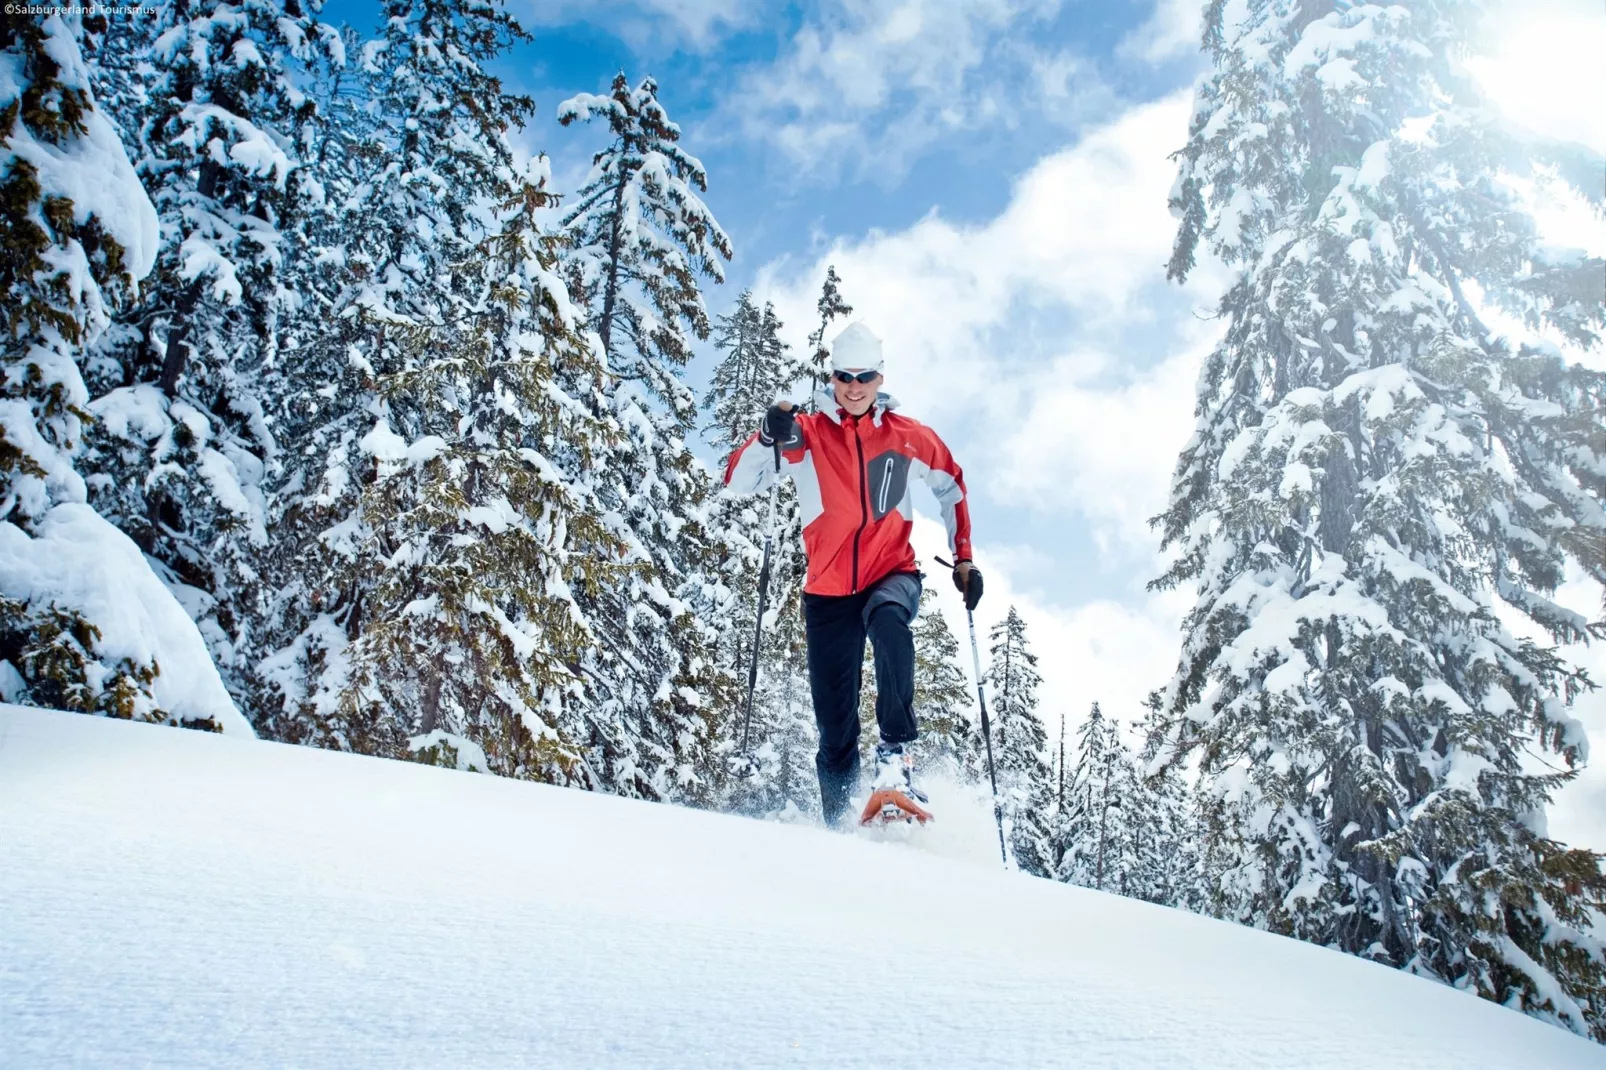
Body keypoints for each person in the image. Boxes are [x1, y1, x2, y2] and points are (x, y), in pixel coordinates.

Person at [723, 322, 982, 826]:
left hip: (892, 571)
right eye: (845, 375)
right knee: (835, 728)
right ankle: (840, 825)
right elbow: (738, 481)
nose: (856, 386)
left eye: (866, 376)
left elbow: (952, 485)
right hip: (828, 591)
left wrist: (964, 556)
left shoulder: (908, 436)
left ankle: (896, 761)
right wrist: (764, 437)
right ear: (833, 376)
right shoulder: (809, 434)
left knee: (890, 623)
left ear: (880, 377)